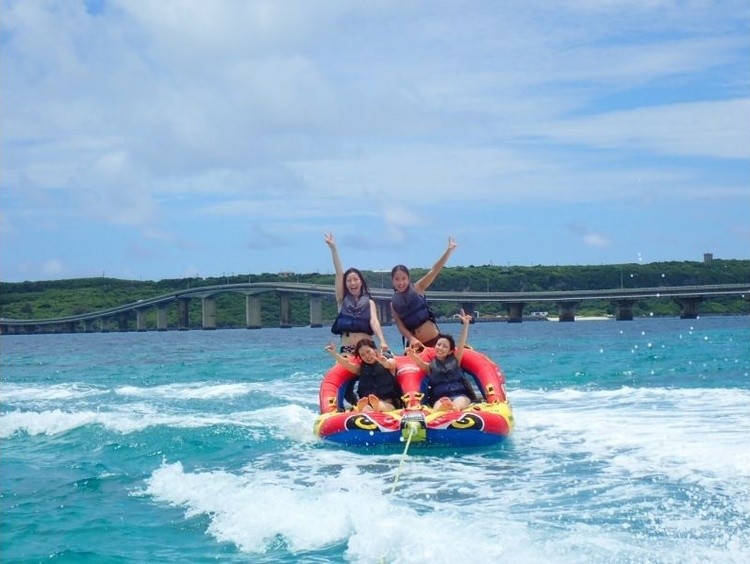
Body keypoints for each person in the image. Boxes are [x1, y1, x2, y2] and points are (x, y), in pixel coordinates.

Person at [325, 233, 388, 355]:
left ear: (361, 282)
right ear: (345, 284)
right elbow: (339, 273)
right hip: (347, 349)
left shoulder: (369, 302)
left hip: (367, 349)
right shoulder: (341, 299)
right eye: (349, 280)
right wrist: (333, 248)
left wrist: (382, 341)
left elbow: (374, 322)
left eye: (355, 279)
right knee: (338, 368)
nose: (352, 283)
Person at [390, 236, 457, 349]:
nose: (400, 282)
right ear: (392, 281)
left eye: (403, 278)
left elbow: (433, 271)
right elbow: (401, 327)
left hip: (435, 341)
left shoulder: (418, 288)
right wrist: (411, 339)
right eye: (397, 279)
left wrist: (448, 251)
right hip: (416, 346)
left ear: (408, 279)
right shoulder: (393, 303)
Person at [406, 309, 475, 411]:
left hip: (459, 395)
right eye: (439, 345)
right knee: (438, 405)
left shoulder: (456, 360)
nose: (440, 348)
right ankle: (446, 408)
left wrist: (465, 325)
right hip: (440, 398)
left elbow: (461, 343)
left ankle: (454, 407)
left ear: (450, 351)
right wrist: (410, 353)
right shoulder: (430, 366)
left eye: (445, 346)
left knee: (460, 401)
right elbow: (419, 362)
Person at [325, 338, 401, 412]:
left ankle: (375, 407)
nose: (367, 356)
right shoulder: (361, 369)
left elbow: (391, 364)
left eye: (368, 352)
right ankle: (367, 409)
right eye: (363, 355)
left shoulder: (389, 362)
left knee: (383, 405)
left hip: (389, 402)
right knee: (367, 408)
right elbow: (347, 364)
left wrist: (385, 363)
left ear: (375, 349)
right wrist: (334, 353)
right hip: (368, 402)